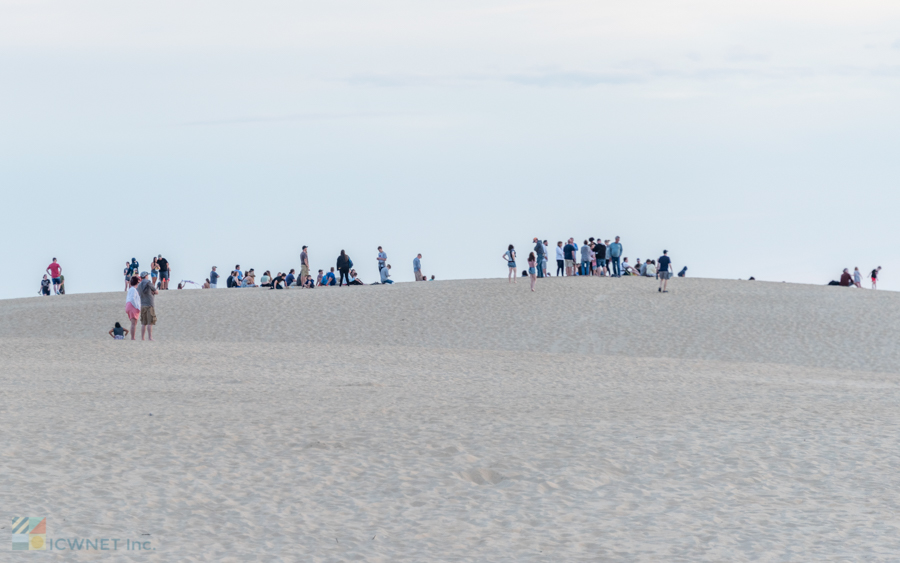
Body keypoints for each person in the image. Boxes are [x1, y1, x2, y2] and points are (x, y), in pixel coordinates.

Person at [137, 272, 158, 341]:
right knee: (150, 322)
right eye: (147, 275)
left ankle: (143, 338)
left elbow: (138, 293)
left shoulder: (139, 285)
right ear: (145, 276)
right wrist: (154, 292)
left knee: (143, 323)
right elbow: (156, 291)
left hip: (142, 304)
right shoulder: (148, 282)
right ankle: (150, 337)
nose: (148, 277)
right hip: (149, 304)